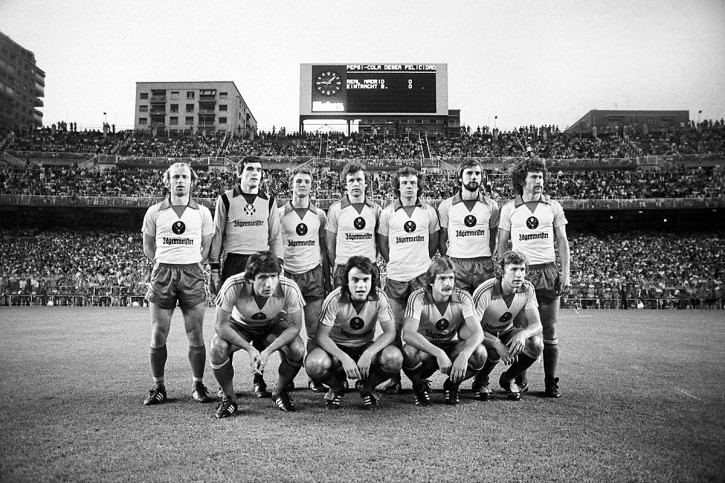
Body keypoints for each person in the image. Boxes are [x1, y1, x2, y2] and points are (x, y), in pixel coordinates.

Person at [208, 155, 283, 398]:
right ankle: (225, 384)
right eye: (250, 169)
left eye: (259, 170)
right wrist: (214, 268)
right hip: (234, 262)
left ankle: (258, 378)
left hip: (260, 264)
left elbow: (275, 237)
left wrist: (277, 266)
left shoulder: (269, 200)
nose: (255, 173)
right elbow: (218, 233)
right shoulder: (226, 199)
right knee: (229, 324)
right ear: (240, 173)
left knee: (261, 320)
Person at [141, 162, 214, 406]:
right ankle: (158, 386)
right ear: (167, 181)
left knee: (195, 333)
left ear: (192, 181)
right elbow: (148, 247)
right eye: (176, 177)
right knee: (158, 333)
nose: (180, 181)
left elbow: (206, 247)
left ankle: (197, 384)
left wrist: (189, 262)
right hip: (163, 272)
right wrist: (166, 262)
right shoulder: (154, 212)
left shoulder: (202, 212)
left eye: (185, 177)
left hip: (192, 272)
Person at [497, 157, 570, 398]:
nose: (539, 181)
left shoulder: (553, 206)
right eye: (534, 177)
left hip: (547, 272)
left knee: (548, 330)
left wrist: (566, 274)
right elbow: (502, 245)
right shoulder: (509, 209)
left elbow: (562, 242)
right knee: (520, 329)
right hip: (521, 275)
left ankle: (551, 381)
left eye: (541, 177)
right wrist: (503, 274)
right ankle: (520, 378)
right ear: (522, 180)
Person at [209, 251, 305, 418]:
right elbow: (221, 325)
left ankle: (279, 392)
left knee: (297, 348)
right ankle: (229, 399)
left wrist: (268, 351)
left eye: (273, 276)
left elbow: (295, 326)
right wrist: (250, 349)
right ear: (250, 278)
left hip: (272, 325)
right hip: (241, 326)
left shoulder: (289, 287)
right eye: (262, 278)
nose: (269, 284)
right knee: (217, 347)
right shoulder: (233, 284)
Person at [305, 256, 403, 410]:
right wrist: (344, 358)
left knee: (394, 358)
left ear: (372, 281)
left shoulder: (379, 297)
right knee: (314, 364)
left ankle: (367, 387)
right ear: (346, 282)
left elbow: (390, 332)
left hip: (364, 346)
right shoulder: (334, 298)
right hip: (337, 349)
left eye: (365, 280)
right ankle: (337, 387)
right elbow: (321, 336)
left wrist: (368, 353)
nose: (361, 286)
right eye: (355, 280)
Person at [377, 166, 439, 394]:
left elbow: (433, 243)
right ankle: (394, 379)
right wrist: (396, 262)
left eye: (413, 183)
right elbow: (383, 245)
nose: (409, 187)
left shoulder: (429, 212)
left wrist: (419, 263)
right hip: (395, 277)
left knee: (419, 330)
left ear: (419, 186)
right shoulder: (387, 213)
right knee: (394, 330)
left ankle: (418, 376)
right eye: (404, 183)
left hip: (421, 277)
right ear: (398, 187)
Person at [401, 258, 486, 406]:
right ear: (431, 281)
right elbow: (408, 333)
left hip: (451, 347)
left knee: (480, 352)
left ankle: (452, 385)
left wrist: (464, 355)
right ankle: (419, 385)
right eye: (442, 278)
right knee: (408, 352)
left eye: (451, 278)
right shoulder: (418, 297)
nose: (447, 283)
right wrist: (438, 353)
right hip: (426, 349)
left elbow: (478, 333)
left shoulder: (463, 297)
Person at [278, 168, 331, 392]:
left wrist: (326, 278)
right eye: (298, 180)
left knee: (313, 331)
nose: (302, 184)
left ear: (312, 186)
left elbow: (324, 249)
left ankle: (314, 375)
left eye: (306, 181)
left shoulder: (319, 215)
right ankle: (287, 374)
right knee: (287, 331)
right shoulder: (280, 214)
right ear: (292, 184)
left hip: (312, 275)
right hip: (288, 275)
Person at [471, 251, 543, 401]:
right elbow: (472, 329)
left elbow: (537, 324)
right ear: (502, 271)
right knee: (493, 351)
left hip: (506, 331)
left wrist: (522, 334)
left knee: (536, 344)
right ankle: (481, 380)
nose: (519, 274)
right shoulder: (485, 291)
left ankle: (508, 378)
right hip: (483, 334)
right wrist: (496, 343)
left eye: (522, 269)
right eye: (513, 269)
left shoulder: (527, 288)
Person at [437, 160, 499, 293]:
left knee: (484, 309)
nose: (474, 177)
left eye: (477, 173)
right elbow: (442, 240)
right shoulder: (446, 205)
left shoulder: (492, 205)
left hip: (484, 264)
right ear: (460, 177)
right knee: (458, 310)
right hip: (457, 264)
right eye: (469, 173)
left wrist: (487, 257)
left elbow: (494, 238)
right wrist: (448, 262)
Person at [326, 162, 382, 288]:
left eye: (359, 180)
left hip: (369, 268)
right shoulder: (335, 209)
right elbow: (330, 245)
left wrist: (372, 259)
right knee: (343, 307)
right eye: (351, 180)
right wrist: (339, 264)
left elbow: (379, 242)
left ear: (366, 183)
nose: (355, 184)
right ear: (345, 184)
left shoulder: (376, 209)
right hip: (343, 267)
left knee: (372, 307)